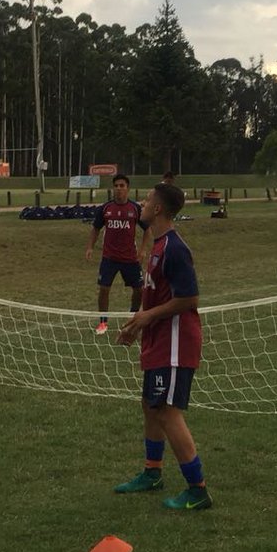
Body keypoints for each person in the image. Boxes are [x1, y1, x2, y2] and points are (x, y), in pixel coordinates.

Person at [115, 183, 212, 511]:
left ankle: (197, 489)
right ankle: (152, 472)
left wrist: (146, 318)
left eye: (147, 199)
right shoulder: (156, 245)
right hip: (159, 339)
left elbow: (189, 298)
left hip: (176, 342)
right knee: (149, 404)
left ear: (157, 209)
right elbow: (155, 297)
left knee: (168, 412)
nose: (142, 202)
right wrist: (136, 326)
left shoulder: (174, 248)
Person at [86, 173, 147, 335]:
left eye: (122, 186)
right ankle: (103, 322)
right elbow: (96, 229)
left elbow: (147, 229)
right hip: (109, 258)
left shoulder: (135, 209)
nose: (119, 189)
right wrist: (90, 247)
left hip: (130, 258)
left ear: (127, 189)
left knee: (139, 289)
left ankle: (132, 319)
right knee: (104, 289)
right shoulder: (105, 208)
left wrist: (142, 249)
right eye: (116, 186)